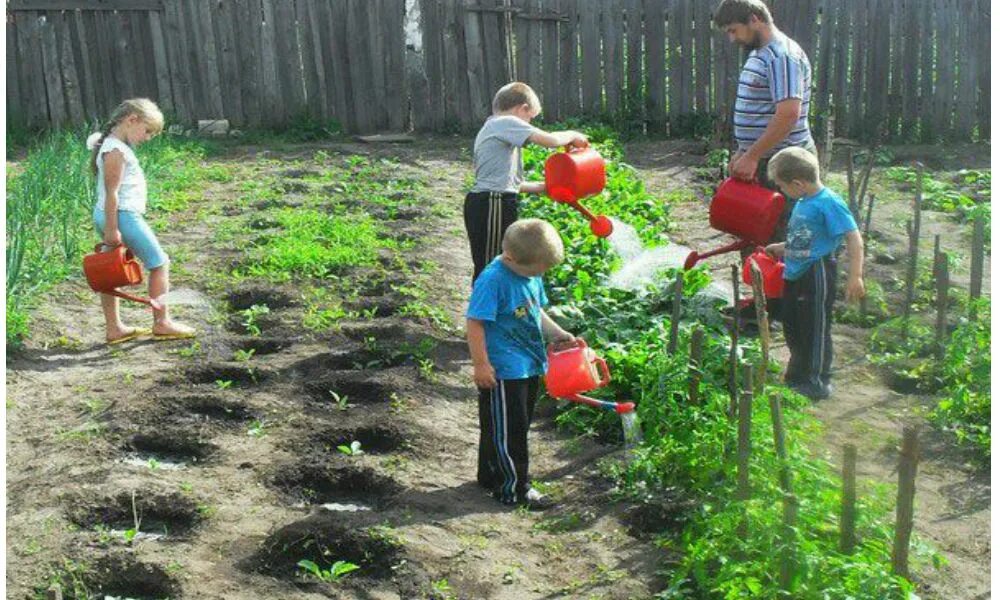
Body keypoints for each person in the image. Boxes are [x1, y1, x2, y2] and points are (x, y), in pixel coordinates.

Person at [466, 219, 577, 509]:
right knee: (510, 430)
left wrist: (557, 334)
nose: (539, 275)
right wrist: (481, 364)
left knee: (506, 424)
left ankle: (491, 474)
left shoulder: (529, 272)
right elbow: (475, 322)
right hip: (503, 367)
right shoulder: (493, 280)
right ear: (511, 258)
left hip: (528, 361)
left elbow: (534, 310)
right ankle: (515, 489)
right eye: (536, 270)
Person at [88, 98, 196, 344]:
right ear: (131, 120)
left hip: (110, 216)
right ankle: (162, 322)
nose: (147, 138)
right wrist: (112, 230)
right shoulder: (114, 150)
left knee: (108, 271)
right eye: (147, 131)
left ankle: (114, 328)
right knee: (159, 263)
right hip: (121, 216)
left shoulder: (112, 145)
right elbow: (112, 193)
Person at [764, 147, 864, 400]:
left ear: (797, 183)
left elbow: (854, 238)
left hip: (817, 272)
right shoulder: (803, 202)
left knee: (814, 327)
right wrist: (782, 248)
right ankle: (797, 376)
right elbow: (807, 239)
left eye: (781, 185)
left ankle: (817, 381)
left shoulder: (828, 202)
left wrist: (855, 275)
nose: (781, 190)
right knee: (793, 325)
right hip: (795, 272)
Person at [465, 82, 589, 283]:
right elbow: (550, 140)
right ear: (522, 109)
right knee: (491, 265)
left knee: (502, 262)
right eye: (531, 118)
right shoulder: (503, 122)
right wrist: (573, 135)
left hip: (494, 201)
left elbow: (514, 184)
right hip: (491, 202)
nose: (530, 123)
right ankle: (483, 312)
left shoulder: (497, 130)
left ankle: (498, 309)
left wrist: (545, 187)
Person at [714, 0, 816, 242]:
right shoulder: (762, 54)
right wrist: (744, 151)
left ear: (754, 19)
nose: (732, 39)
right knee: (757, 235)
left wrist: (753, 155)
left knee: (783, 241)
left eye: (733, 30)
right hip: (766, 158)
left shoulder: (782, 56)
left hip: (785, 164)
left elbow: (788, 114)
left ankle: (785, 281)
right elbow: (762, 111)